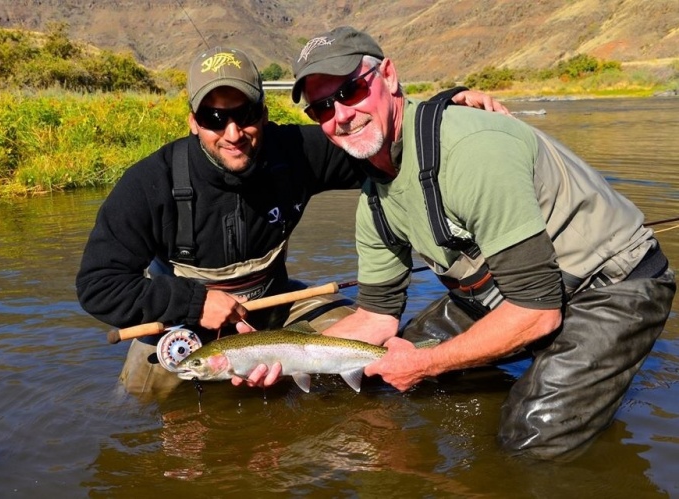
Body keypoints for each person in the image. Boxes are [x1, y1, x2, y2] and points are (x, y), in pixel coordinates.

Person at [275, 26, 674, 460]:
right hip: (513, 293)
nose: (340, 116)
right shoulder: (375, 198)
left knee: (529, 440)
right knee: (392, 364)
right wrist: (280, 355)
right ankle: (540, 390)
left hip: (612, 289)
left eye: (351, 90)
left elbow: (536, 314)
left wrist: (428, 363)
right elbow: (375, 317)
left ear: (388, 76)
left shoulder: (471, 151)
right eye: (321, 108)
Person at [75, 45, 506, 396]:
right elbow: (98, 286)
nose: (232, 132)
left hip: (280, 307)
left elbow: (376, 137)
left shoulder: (294, 152)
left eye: (243, 114)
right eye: (214, 118)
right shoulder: (149, 184)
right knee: (140, 409)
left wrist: (443, 112)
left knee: (370, 361)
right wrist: (193, 303)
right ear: (193, 122)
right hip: (177, 323)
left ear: (263, 113)